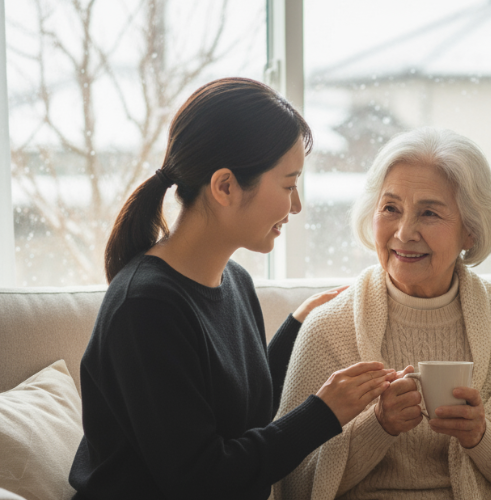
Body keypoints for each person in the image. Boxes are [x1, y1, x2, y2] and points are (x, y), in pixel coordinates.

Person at [68, 77, 395, 500]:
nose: (296, 206)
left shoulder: (234, 280)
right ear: (225, 186)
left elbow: (235, 414)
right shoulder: (146, 307)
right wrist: (324, 414)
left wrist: (296, 327)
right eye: (288, 185)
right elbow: (203, 480)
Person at [274, 128, 491, 499]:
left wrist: (484, 437)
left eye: (429, 213)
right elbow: (291, 484)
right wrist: (378, 427)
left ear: (470, 231)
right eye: (390, 209)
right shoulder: (328, 330)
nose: (404, 232)